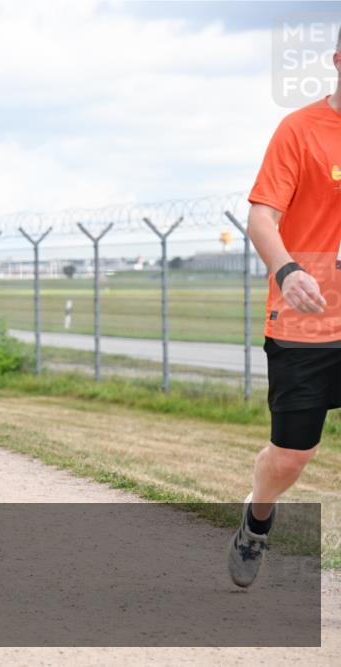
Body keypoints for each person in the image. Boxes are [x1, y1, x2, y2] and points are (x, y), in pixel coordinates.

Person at [227, 28, 341, 588]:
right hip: (308, 323)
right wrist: (288, 269)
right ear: (339, 60)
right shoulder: (301, 130)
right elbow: (261, 217)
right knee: (292, 455)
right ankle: (258, 517)